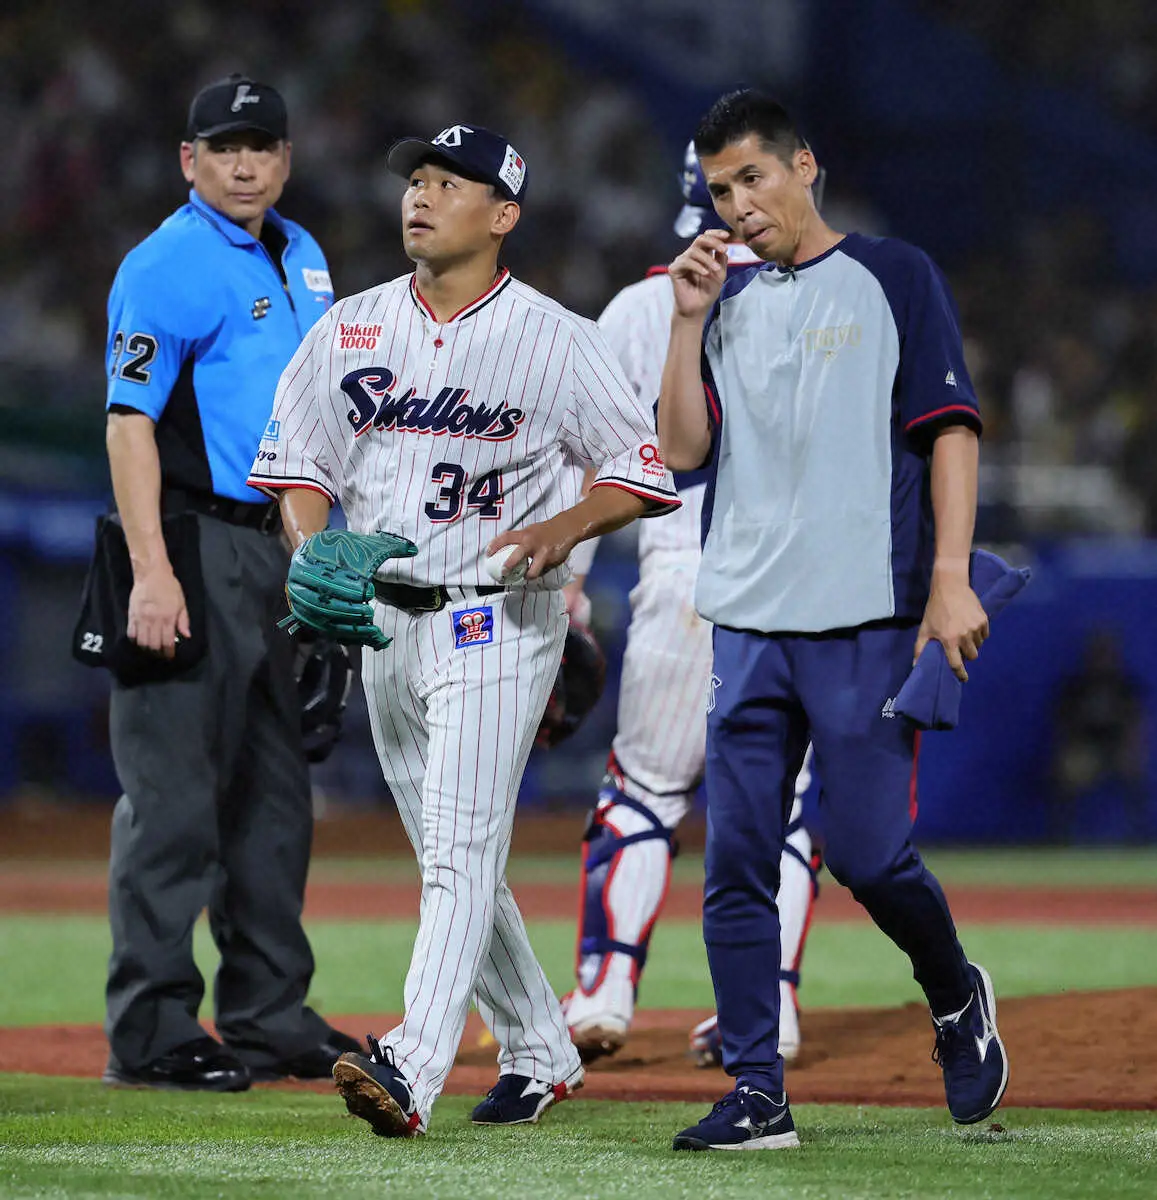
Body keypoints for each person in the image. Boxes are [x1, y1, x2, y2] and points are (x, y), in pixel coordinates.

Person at [248, 122, 680, 1138]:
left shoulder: (554, 338)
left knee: (457, 852)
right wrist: (311, 550)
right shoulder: (351, 327)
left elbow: (641, 471)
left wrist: (566, 529)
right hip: (382, 626)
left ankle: (409, 1065)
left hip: (498, 619)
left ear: (503, 215)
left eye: (450, 183)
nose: (422, 194)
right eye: (417, 178)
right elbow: (298, 464)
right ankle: (538, 1048)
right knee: (455, 854)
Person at [658, 90, 1009, 1152]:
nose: (738, 205)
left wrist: (947, 577)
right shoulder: (720, 299)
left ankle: (952, 993)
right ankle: (755, 1090)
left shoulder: (894, 274)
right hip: (745, 616)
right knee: (736, 862)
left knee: (865, 852)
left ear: (802, 165)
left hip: (865, 614)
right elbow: (680, 451)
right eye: (720, 189)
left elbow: (950, 431)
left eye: (752, 178)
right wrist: (684, 321)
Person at [100, 74, 358, 1091]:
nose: (244, 165)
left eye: (260, 146)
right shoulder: (164, 262)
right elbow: (129, 422)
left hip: (283, 548)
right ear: (189, 161)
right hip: (191, 539)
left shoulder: (304, 254)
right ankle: (152, 1029)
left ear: (286, 159)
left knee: (275, 798)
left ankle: (268, 1014)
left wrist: (320, 560)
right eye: (224, 148)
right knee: (172, 801)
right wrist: (151, 572)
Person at [560, 143, 821, 1067]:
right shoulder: (828, 299)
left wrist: (567, 585)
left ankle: (604, 991)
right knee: (784, 806)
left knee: (642, 792)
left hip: (683, 569)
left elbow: (582, 459)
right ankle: (772, 1008)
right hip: (797, 584)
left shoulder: (637, 308)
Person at [1050, 627, 1147, 842]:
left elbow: (1136, 723)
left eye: (1107, 653)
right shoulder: (1078, 686)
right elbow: (1064, 723)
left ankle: (1139, 835)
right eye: (1099, 653)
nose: (1103, 659)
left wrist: (1133, 749)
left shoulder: (1124, 685)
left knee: (1134, 773)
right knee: (1069, 773)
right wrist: (1072, 748)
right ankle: (1061, 836)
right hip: (1086, 747)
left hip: (1116, 747)